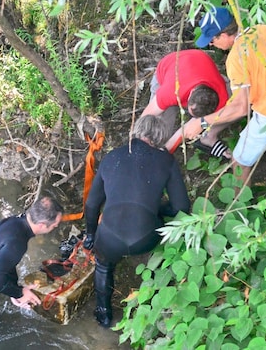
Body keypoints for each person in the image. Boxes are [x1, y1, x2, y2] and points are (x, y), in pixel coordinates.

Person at [181, 6, 266, 188]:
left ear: (224, 35)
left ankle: (239, 207)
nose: (211, 45)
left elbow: (241, 108)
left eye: (212, 40)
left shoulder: (235, 58)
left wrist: (201, 122)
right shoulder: (265, 29)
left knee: (239, 160)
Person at [82, 115, 191, 327]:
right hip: (147, 238)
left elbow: (92, 205)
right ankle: (153, 302)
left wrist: (90, 235)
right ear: (159, 138)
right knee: (151, 217)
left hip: (110, 239)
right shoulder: (166, 161)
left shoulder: (111, 158)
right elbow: (181, 207)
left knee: (103, 266)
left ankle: (103, 315)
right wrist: (155, 208)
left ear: (136, 132)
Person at [141, 49, 230, 156]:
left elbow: (186, 129)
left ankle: (208, 137)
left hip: (199, 67)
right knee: (157, 131)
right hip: (169, 68)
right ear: (192, 92)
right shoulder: (170, 91)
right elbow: (146, 117)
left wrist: (166, 151)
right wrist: (139, 141)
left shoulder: (222, 97)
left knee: (232, 109)